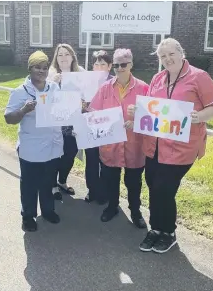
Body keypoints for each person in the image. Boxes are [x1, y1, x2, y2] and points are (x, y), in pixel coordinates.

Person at [134, 38, 213, 253]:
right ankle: (155, 229)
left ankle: (169, 232)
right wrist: (136, 112)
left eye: (171, 54)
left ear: (181, 53)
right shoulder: (157, 78)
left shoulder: (198, 77)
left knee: (164, 189)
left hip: (181, 148)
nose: (167, 59)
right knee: (153, 185)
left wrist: (198, 116)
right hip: (154, 145)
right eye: (163, 56)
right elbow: (150, 108)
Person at [89, 48, 149, 228]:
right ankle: (112, 206)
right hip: (110, 144)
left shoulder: (144, 88)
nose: (120, 68)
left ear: (131, 64)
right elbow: (94, 111)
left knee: (133, 181)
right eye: (116, 65)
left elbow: (152, 118)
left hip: (134, 144)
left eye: (124, 64)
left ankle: (135, 211)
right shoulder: (105, 88)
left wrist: (137, 121)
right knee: (110, 179)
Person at [5, 50, 62, 232]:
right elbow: (8, 118)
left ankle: (47, 210)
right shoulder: (19, 92)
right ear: (30, 69)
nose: (41, 71)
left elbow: (62, 110)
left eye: (45, 68)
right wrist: (23, 110)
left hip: (52, 144)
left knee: (47, 182)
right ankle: (28, 216)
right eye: (37, 67)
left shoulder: (53, 88)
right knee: (29, 184)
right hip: (31, 147)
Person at [48, 43, 85, 200]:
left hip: (74, 121)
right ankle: (52, 185)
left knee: (70, 153)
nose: (63, 57)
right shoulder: (51, 73)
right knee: (56, 154)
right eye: (60, 54)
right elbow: (45, 98)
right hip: (56, 122)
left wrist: (84, 101)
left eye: (66, 54)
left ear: (72, 56)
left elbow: (87, 94)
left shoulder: (80, 72)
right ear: (56, 57)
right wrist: (53, 83)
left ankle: (62, 181)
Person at [84, 50, 113, 204]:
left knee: (107, 162)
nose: (99, 67)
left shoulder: (115, 83)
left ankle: (105, 192)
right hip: (90, 126)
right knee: (91, 161)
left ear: (109, 66)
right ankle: (92, 190)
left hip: (108, 127)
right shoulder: (86, 82)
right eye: (96, 64)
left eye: (103, 64)